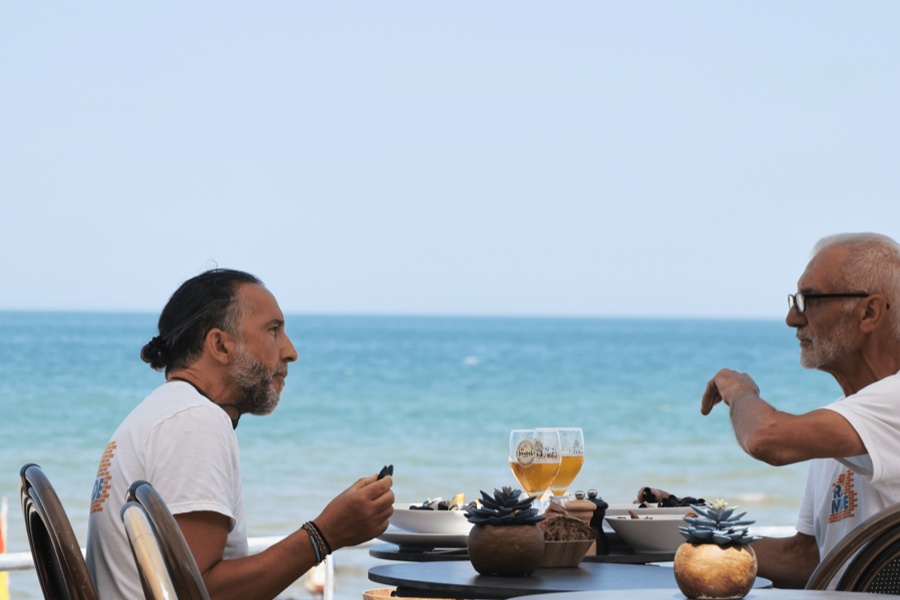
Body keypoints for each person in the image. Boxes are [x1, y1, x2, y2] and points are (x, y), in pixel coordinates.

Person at [85, 269, 394, 600]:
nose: (290, 351)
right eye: (273, 331)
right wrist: (324, 535)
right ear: (220, 345)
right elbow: (203, 592)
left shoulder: (161, 413)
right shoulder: (195, 420)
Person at [701, 233, 900, 589]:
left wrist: (740, 391)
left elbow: (766, 438)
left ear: (869, 311)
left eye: (809, 300)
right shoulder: (843, 421)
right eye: (796, 300)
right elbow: (807, 558)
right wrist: (692, 539)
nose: (793, 318)